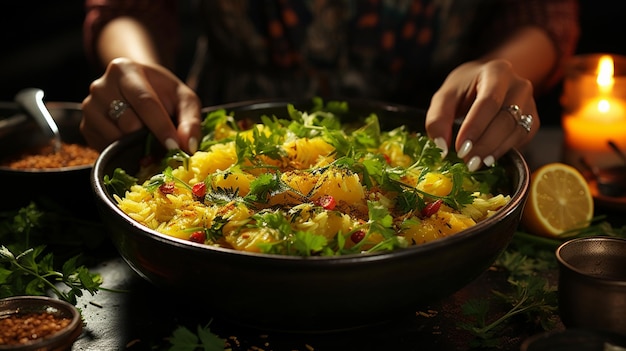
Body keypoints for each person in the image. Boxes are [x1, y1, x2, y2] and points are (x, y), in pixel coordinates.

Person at [80, 0, 579, 172]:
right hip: (215, 136)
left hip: (436, 143)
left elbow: (538, 12)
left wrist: (502, 69)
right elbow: (133, 6)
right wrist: (137, 71)